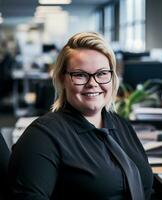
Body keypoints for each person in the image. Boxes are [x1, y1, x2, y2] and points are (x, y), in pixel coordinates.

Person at [8, 32, 153, 200]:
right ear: (63, 79)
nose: (93, 83)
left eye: (102, 73)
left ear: (112, 78)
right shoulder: (42, 137)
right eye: (80, 75)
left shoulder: (122, 126)